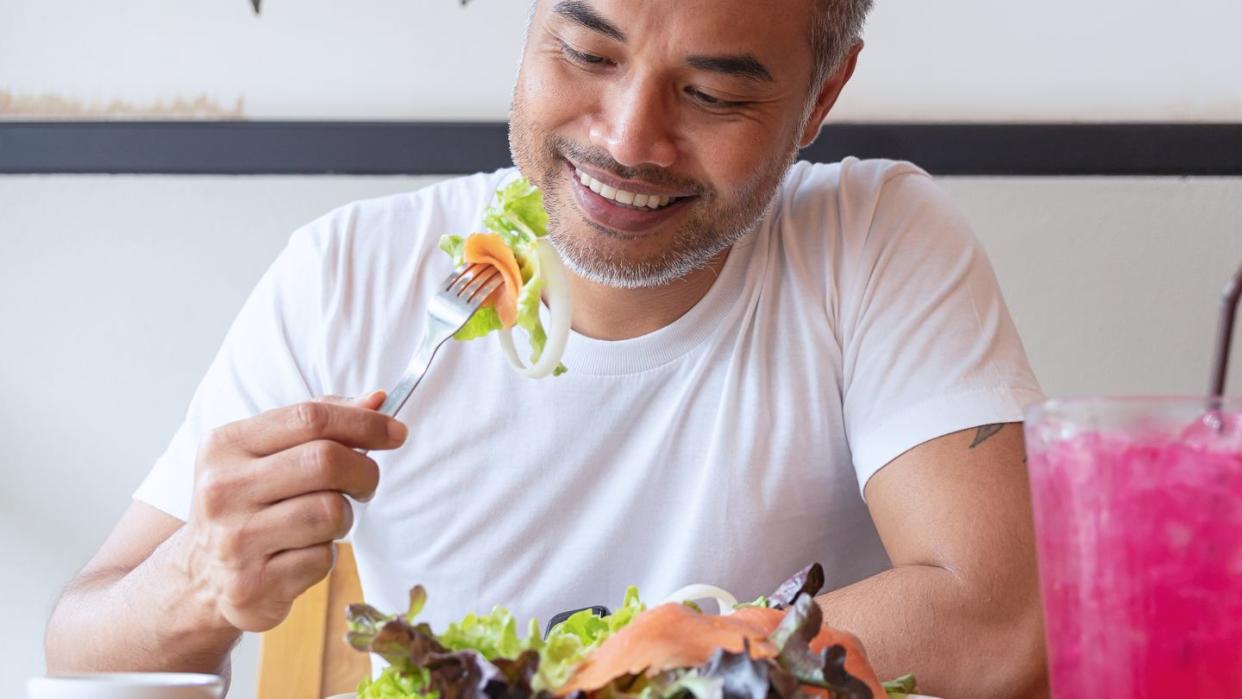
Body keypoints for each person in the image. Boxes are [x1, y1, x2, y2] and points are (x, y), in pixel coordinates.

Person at [45, 1, 1048, 696]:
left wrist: (631, 668)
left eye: (710, 94)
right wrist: (198, 580)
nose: (627, 138)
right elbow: (82, 652)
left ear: (820, 98)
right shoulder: (345, 274)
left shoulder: (876, 237)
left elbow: (1004, 625)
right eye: (588, 54)